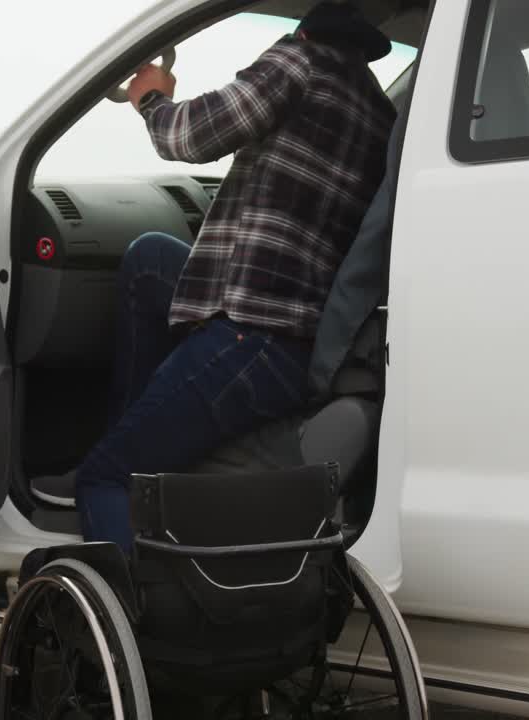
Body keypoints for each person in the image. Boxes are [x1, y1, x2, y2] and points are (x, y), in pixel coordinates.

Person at [31, 1, 397, 554]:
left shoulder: (301, 61)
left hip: (252, 335)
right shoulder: (377, 110)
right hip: (300, 334)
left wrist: (151, 95)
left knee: (107, 481)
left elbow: (191, 138)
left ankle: (139, 627)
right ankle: (126, 437)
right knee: (150, 261)